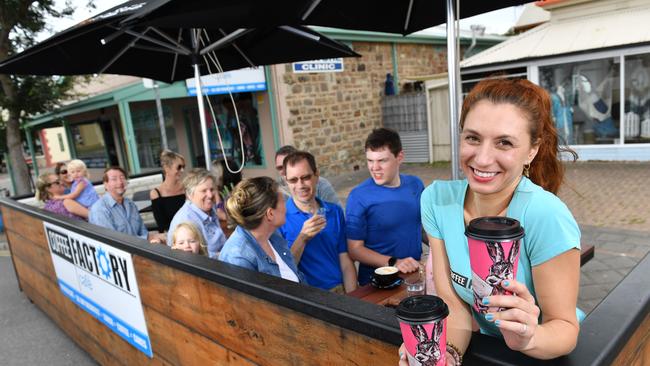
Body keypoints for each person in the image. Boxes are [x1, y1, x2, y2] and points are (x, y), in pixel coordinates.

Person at [401, 78, 581, 365]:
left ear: (532, 150)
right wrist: (447, 354)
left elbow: (565, 328)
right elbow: (454, 304)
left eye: (504, 142)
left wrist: (529, 337)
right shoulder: (436, 200)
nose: (483, 159)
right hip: (486, 351)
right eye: (472, 138)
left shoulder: (545, 215)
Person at [346, 128, 424, 286]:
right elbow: (354, 249)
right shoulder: (358, 196)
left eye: (382, 160)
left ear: (399, 157)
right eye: (370, 160)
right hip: (377, 283)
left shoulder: (415, 185)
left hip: (414, 275)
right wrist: (394, 262)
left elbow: (420, 226)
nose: (374, 168)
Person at [278, 151, 357, 293]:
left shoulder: (334, 212)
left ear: (316, 175)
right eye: (293, 180)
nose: (300, 185)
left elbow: (345, 260)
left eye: (306, 177)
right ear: (286, 181)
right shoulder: (279, 218)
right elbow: (284, 272)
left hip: (339, 291)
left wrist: (354, 298)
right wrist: (302, 238)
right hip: (306, 296)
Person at [219, 177, 304, 283]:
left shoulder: (272, 235)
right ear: (270, 214)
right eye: (283, 202)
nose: (286, 207)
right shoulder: (238, 258)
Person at [89, 167, 163, 243]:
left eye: (122, 178)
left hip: (141, 248)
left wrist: (155, 238)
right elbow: (112, 241)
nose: (120, 182)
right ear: (106, 184)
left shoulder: (130, 204)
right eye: (114, 179)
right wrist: (147, 239)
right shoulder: (99, 209)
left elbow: (143, 232)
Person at [167, 168, 227, 259]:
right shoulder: (185, 220)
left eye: (212, 189)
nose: (210, 195)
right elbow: (196, 259)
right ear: (190, 194)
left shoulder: (209, 208)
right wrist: (227, 254)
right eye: (204, 191)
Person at [274, 145, 341, 207]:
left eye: (289, 166)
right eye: (280, 168)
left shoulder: (322, 184)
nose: (284, 171)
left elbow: (335, 210)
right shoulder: (275, 190)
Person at [150, 150, 186, 232]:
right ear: (166, 168)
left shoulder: (186, 188)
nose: (182, 170)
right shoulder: (156, 193)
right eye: (179, 167)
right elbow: (162, 225)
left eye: (184, 167)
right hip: (171, 236)